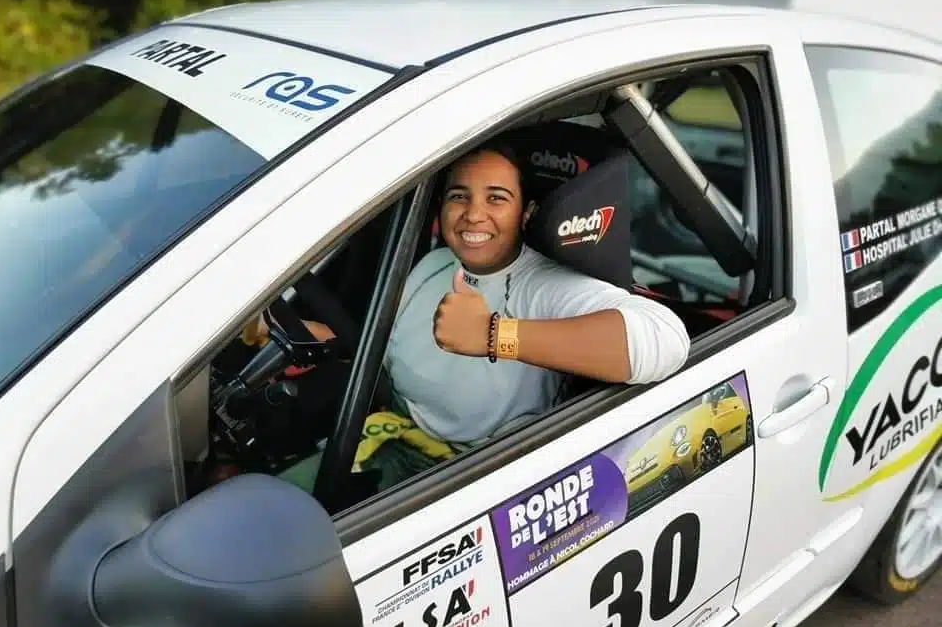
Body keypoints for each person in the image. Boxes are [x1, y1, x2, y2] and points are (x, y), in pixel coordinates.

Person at [253, 139, 691, 490]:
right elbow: (383, 353)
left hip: (461, 477)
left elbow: (666, 339)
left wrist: (493, 334)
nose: (473, 213)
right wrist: (311, 334)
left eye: (496, 198)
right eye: (459, 197)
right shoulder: (434, 266)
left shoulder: (538, 284)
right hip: (391, 428)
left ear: (527, 214)